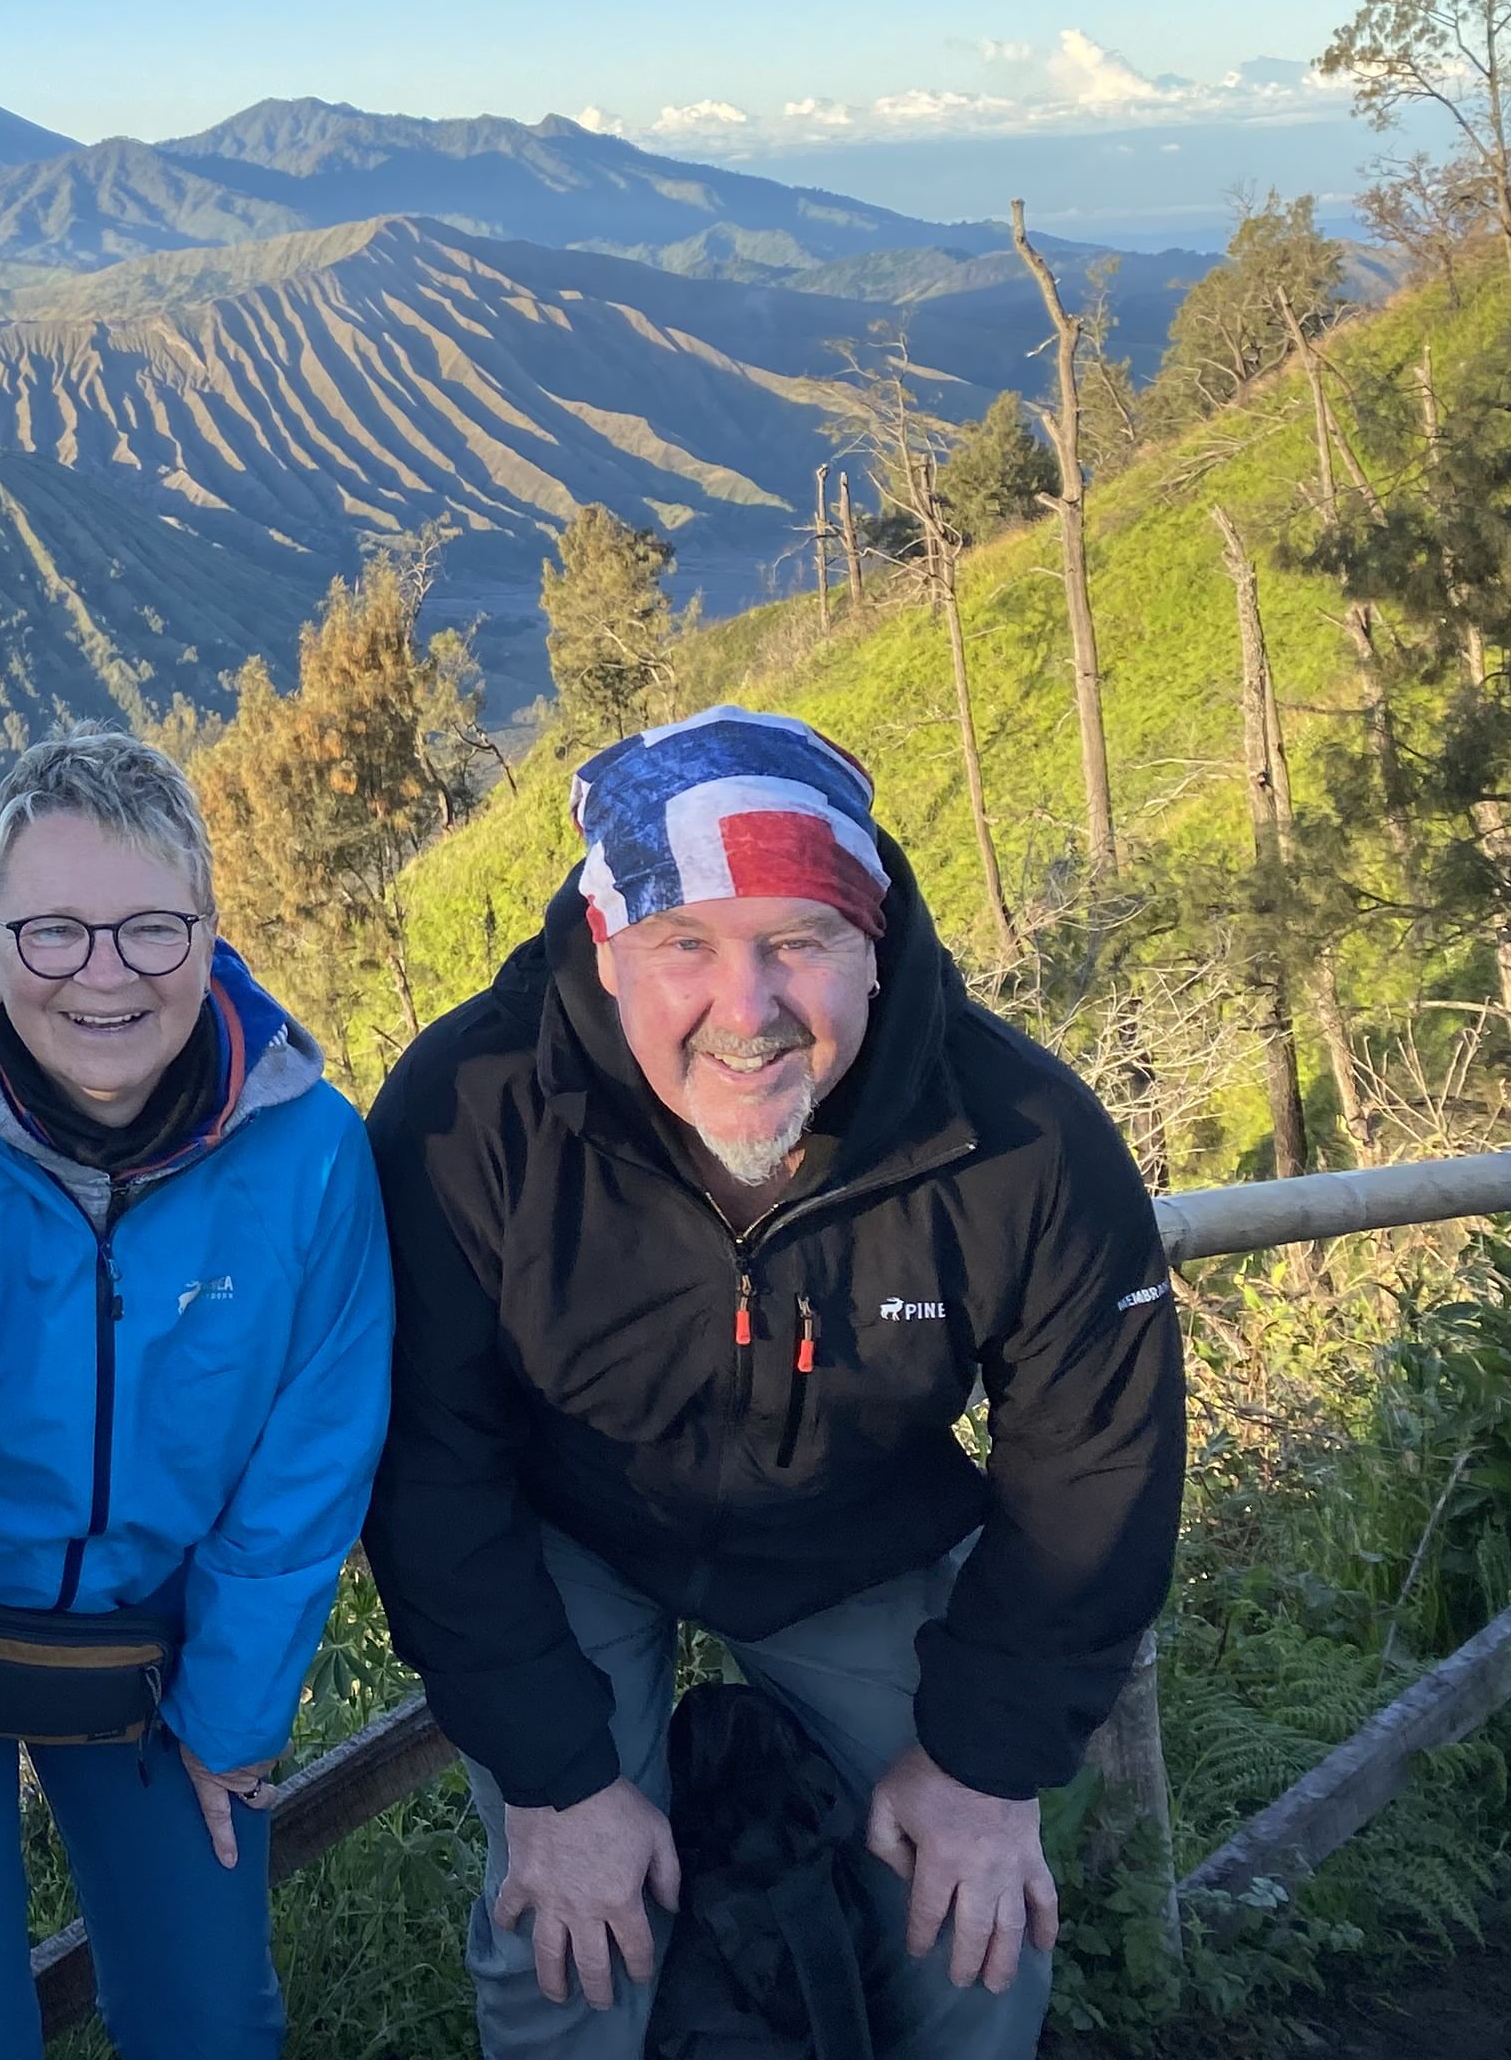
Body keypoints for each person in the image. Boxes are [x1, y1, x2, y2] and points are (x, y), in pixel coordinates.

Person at [365, 706, 1188, 2060]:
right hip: (566, 1522)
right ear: (606, 948)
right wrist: (559, 1784)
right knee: (568, 1942)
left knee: (974, 1926)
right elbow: (429, 1457)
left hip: (853, 1529)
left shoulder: (1019, 1138)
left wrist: (984, 1767)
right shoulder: (475, 1109)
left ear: (875, 944)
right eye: (684, 945)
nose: (747, 1013)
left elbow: (1096, 1463)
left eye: (801, 941)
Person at [0, 730, 393, 2060]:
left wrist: (232, 1714)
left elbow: (310, 1464)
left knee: (210, 2027)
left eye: (150, 928)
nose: (104, 974)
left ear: (211, 932)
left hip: (160, 1644)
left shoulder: (309, 1154)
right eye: (52, 931)